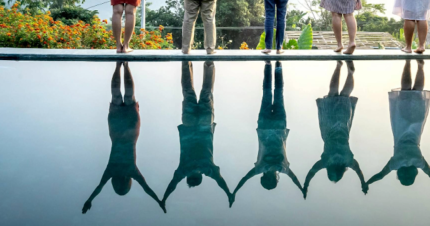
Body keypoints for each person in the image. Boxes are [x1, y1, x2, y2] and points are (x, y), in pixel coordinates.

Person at [82, 62, 164, 213]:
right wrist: (89, 200)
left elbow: (146, 188)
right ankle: (119, 65)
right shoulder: (111, 171)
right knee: (116, 96)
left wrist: (159, 200)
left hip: (131, 130)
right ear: (115, 183)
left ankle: (125, 66)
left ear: (128, 183)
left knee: (129, 96)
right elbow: (99, 187)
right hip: (116, 129)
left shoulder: (131, 171)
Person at [160, 60, 234, 209]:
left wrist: (229, 194)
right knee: (188, 91)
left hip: (205, 125)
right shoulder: (184, 169)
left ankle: (208, 63)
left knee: (206, 92)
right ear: (188, 177)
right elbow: (173, 184)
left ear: (200, 176)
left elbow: (220, 181)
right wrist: (164, 199)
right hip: (189, 124)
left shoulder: (207, 169)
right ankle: (186, 62)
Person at [367, 60, 430, 195]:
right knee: (405, 90)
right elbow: (381, 175)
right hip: (401, 121)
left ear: (414, 174)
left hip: (416, 122)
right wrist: (367, 183)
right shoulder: (396, 164)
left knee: (417, 91)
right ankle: (408, 63)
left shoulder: (419, 163)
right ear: (401, 175)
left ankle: (420, 66)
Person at [233, 61, 304, 197]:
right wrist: (234, 193)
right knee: (266, 93)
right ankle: (268, 65)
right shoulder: (260, 168)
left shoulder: (282, 168)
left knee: (278, 93)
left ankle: (278, 65)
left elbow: (294, 178)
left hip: (279, 126)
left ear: (275, 178)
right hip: (264, 126)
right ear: (263, 177)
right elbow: (245, 179)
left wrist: (302, 189)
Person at [303, 60, 368, 196]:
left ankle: (349, 72)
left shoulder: (344, 162)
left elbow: (359, 171)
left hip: (340, 124)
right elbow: (312, 172)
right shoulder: (328, 162)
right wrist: (306, 185)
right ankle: (340, 66)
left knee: (343, 94)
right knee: (334, 93)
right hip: (330, 125)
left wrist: (363, 183)